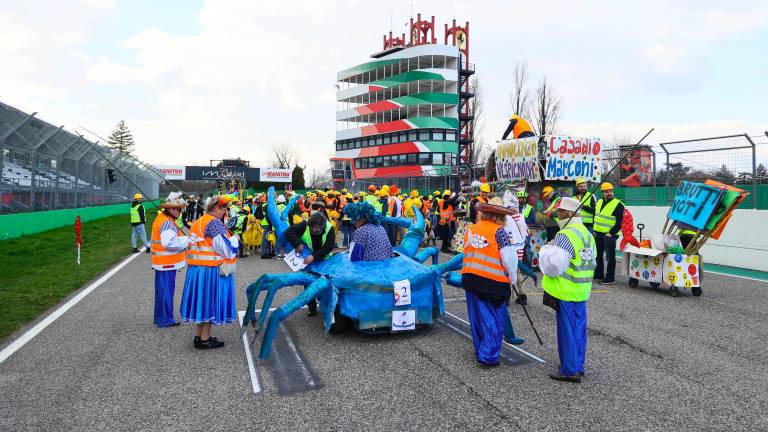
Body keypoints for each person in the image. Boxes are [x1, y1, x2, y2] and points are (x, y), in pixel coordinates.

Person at [538, 197, 596, 383]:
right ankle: (578, 365)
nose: (557, 216)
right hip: (581, 291)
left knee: (567, 332)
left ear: (568, 214)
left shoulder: (566, 235)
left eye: (560, 212)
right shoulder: (587, 234)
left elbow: (554, 266)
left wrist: (546, 249)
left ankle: (569, 369)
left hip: (565, 291)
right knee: (579, 330)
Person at [461, 197, 519, 366]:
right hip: (492, 282)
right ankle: (489, 355)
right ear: (500, 215)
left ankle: (481, 348)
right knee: (493, 318)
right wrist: (512, 278)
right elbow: (509, 258)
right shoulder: (499, 232)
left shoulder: (472, 229)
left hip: (471, 278)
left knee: (477, 318)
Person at [181, 195, 239, 350]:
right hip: (209, 269)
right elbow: (226, 250)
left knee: (202, 302)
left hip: (196, 269)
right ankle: (205, 339)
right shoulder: (214, 223)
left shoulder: (199, 221)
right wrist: (235, 239)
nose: (225, 212)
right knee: (208, 302)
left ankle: (199, 336)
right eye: (224, 209)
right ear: (218, 208)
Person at [150, 192, 190, 328]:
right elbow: (169, 243)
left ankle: (160, 317)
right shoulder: (167, 222)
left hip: (162, 263)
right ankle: (165, 319)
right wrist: (187, 240)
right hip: (166, 263)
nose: (180, 212)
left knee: (162, 291)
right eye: (178, 209)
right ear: (171, 209)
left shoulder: (162, 218)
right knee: (166, 291)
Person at [285, 212, 336, 316]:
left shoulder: (329, 228)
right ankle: (311, 307)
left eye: (317, 229)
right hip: (308, 260)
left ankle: (329, 306)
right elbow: (289, 232)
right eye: (312, 228)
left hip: (324, 259)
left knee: (326, 282)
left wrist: (313, 256)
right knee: (308, 282)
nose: (314, 231)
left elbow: (329, 247)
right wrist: (297, 243)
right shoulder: (305, 224)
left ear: (322, 226)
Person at [593, 182, 624, 285]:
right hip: (598, 233)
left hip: (609, 235)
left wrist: (611, 233)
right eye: (607, 192)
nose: (609, 193)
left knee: (610, 257)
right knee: (598, 255)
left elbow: (620, 222)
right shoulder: (599, 202)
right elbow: (597, 217)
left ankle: (610, 277)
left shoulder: (618, 204)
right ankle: (599, 274)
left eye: (611, 191)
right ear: (602, 192)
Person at [502, 190, 530, 304]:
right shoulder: (521, 216)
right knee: (517, 270)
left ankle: (507, 296)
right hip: (520, 247)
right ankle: (522, 295)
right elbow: (527, 232)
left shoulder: (506, 218)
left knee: (507, 270)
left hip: (509, 248)